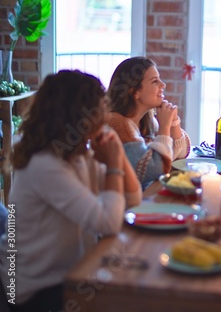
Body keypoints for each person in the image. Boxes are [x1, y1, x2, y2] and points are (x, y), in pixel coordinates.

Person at [0, 70, 142, 312]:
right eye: (100, 108)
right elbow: (108, 223)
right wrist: (114, 166)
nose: (106, 116)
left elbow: (133, 199)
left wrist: (116, 150)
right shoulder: (44, 164)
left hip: (73, 273)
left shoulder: (77, 153)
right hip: (33, 288)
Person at [107, 57, 191, 189]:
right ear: (134, 92)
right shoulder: (117, 124)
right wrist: (165, 127)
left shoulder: (147, 120)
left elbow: (181, 153)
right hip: (126, 206)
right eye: (155, 81)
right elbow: (154, 168)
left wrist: (173, 122)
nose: (163, 85)